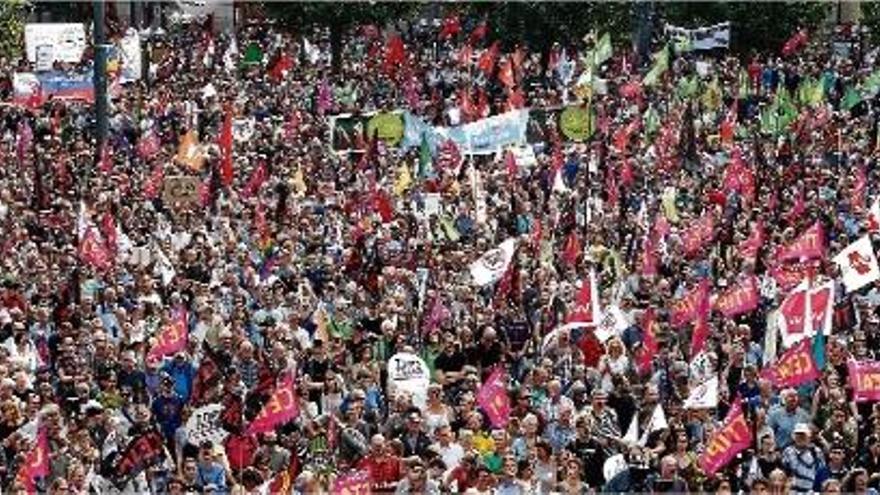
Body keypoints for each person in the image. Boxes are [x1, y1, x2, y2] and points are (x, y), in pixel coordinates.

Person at [782, 423, 826, 493]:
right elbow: (784, 473)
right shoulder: (788, 452)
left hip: (812, 490)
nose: (800, 438)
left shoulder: (817, 451)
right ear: (793, 437)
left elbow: (822, 471)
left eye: (803, 435)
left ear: (809, 437)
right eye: (798, 435)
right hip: (793, 490)